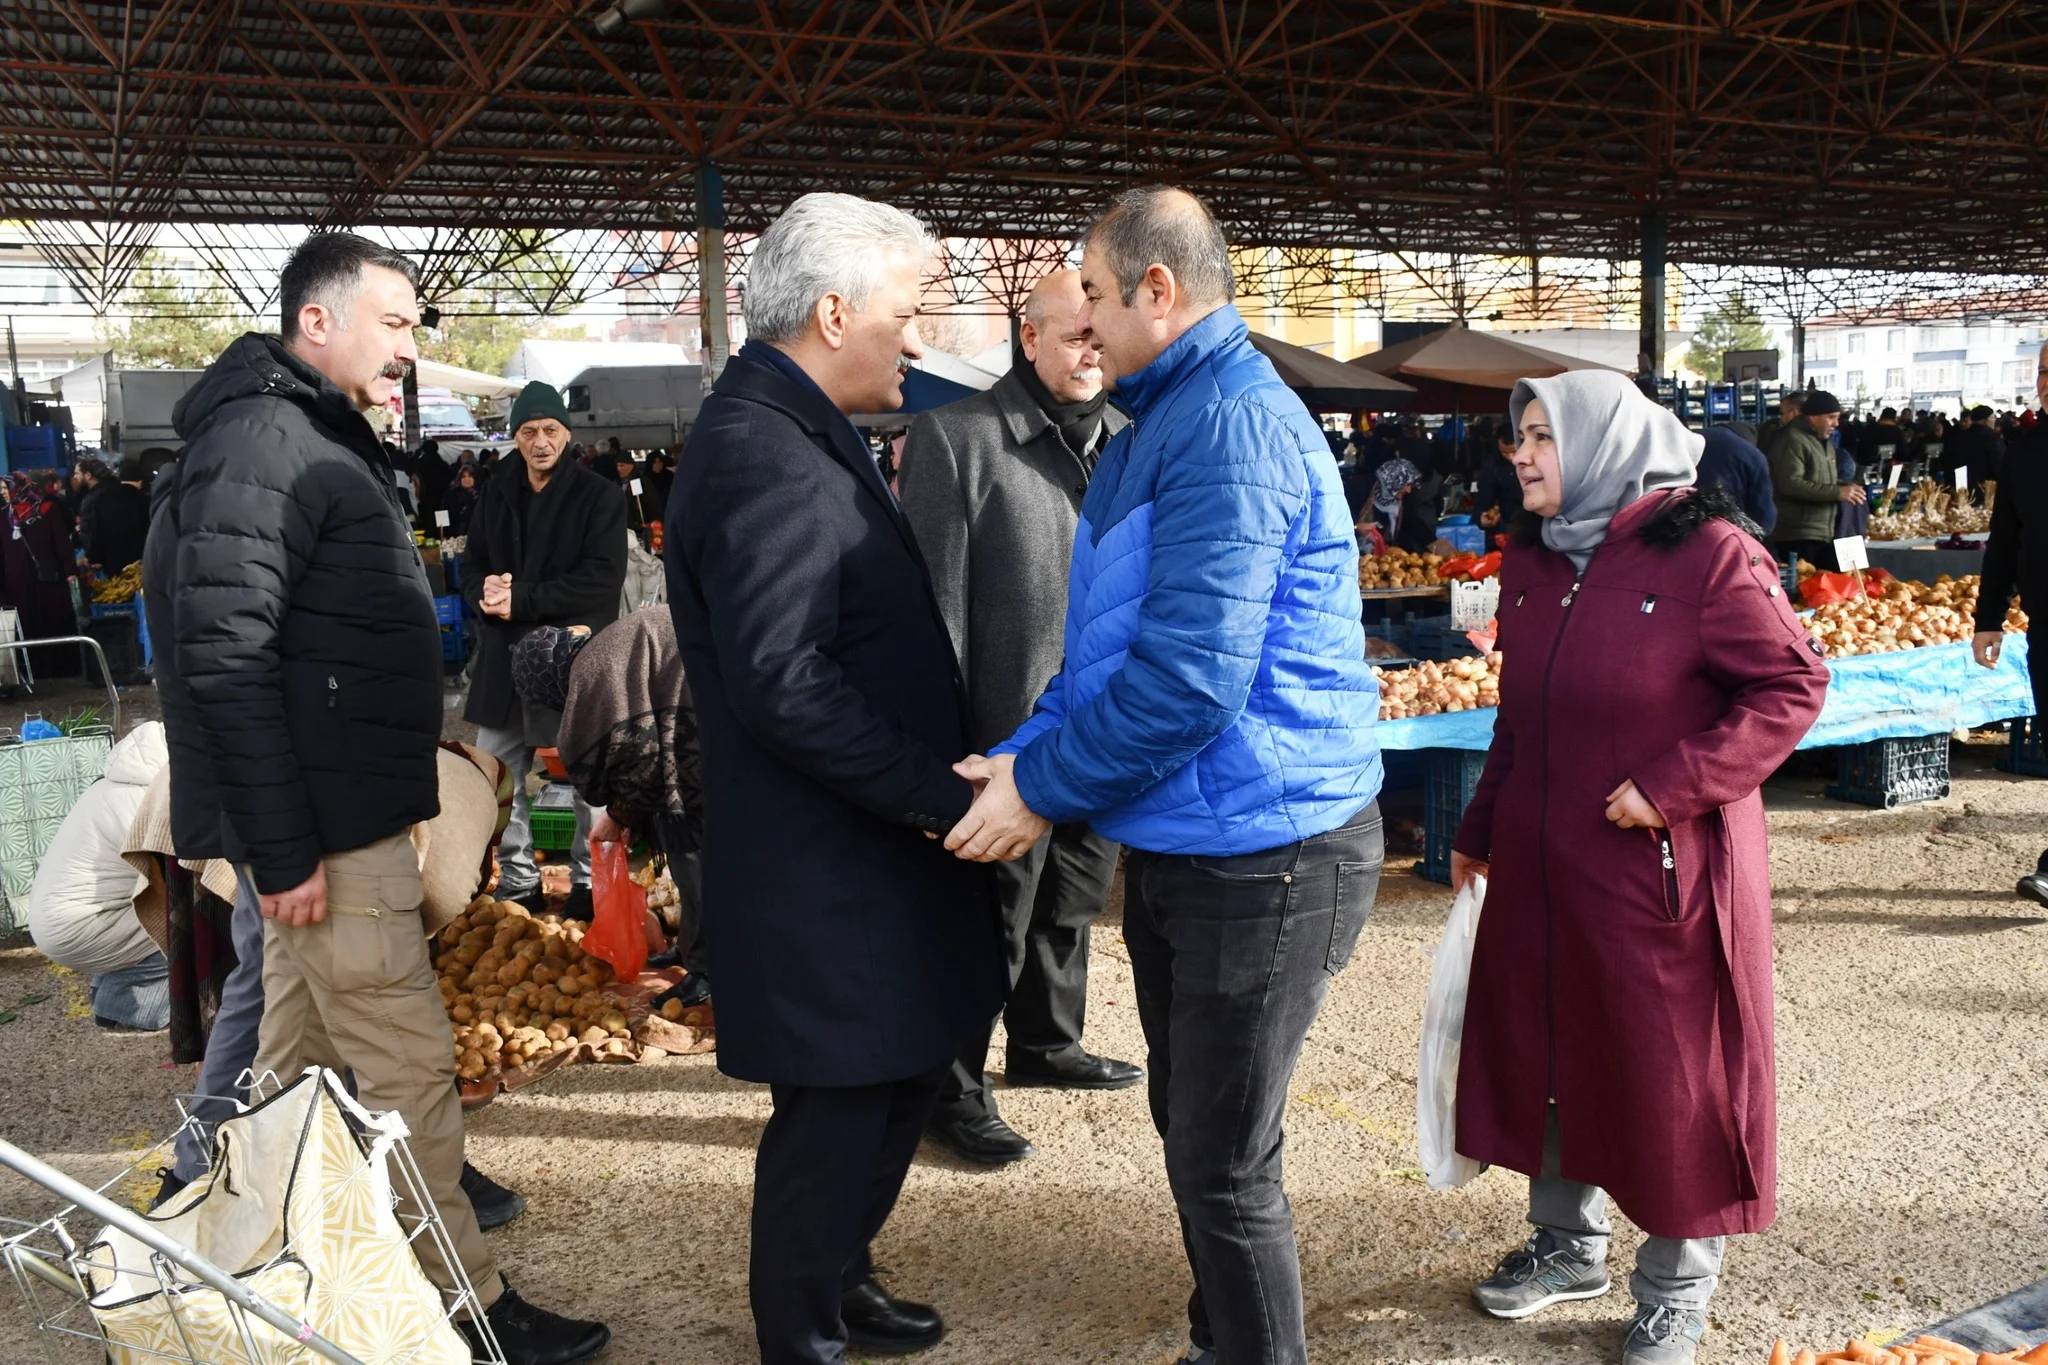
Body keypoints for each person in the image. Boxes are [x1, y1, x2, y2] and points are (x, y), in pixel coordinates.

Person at [141, 231, 605, 1365]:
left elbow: (306, 643)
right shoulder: (266, 441)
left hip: (335, 818)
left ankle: (233, 1260)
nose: (408, 348)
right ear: (317, 320)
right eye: (394, 324)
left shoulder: (298, 435)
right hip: (324, 840)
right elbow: (224, 656)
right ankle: (467, 1306)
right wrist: (285, 848)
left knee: (287, 1070)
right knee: (405, 1071)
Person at [943, 187, 1383, 1365]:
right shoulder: (1161, 424)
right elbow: (1112, 656)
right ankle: (1219, 1338)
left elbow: (1189, 685)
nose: (1079, 321)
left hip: (1269, 849)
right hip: (1198, 838)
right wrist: (1031, 752)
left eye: (1091, 291)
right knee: (1192, 1126)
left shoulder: (1228, 428)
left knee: (1223, 1164)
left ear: (1157, 291)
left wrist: (1040, 791)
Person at [664, 192, 1005, 1364]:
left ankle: (840, 1279)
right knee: (838, 1114)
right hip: (828, 864)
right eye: (904, 315)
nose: (914, 341)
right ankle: (798, 1330)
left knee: (898, 1081)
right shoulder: (764, 447)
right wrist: (942, 796)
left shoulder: (793, 428)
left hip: (858, 856)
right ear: (830, 311)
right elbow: (785, 681)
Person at [1449, 371, 1828, 1365]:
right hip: (1541, 868)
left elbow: (1789, 685)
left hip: (1655, 875)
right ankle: (1566, 1250)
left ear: (1601, 441)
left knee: (1672, 1083)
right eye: (1514, 436)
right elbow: (1517, 715)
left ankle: (1674, 1293)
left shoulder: (1706, 552)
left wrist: (1672, 784)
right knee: (1549, 1059)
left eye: (1538, 436)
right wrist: (1476, 824)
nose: (1519, 454)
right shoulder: (1531, 556)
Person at [897, 268, 1141, 1168]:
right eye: (1069, 333)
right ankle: (950, 1087)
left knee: (1072, 893)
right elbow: (931, 603)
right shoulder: (958, 440)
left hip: (1099, 721)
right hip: (1002, 728)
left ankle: (1047, 1040)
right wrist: (950, 744)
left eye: (1097, 333)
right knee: (989, 915)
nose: (1088, 349)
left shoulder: (1128, 440)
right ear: (1025, 337)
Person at [462, 381, 627, 922]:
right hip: (504, 661)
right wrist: (484, 595)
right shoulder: (494, 492)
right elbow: (473, 564)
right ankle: (519, 879)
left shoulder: (598, 496)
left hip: (570, 661)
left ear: (568, 434)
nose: (540, 441)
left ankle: (588, 882)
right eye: (529, 431)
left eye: (551, 430)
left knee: (586, 779)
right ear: (514, 436)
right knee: (495, 777)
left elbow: (602, 582)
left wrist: (522, 599)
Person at [539, 608, 710, 1002]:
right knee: (686, 859)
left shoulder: (590, 672)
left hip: (696, 733)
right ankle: (691, 950)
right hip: (689, 714)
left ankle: (708, 974)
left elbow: (637, 757)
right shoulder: (597, 652)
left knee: (695, 859)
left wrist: (617, 814)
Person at [27, 721, 172, 1032]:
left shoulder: (118, 783)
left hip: (62, 920)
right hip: (79, 927)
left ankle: (110, 987)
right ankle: (131, 1007)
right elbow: (192, 872)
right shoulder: (148, 797)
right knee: (203, 922)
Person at [1975, 341, 2048, 903]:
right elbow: (2005, 540)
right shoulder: (2024, 452)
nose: (2047, 382)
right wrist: (1989, 617)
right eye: (2044, 372)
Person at [1767, 388, 1859, 570]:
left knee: (1831, 588)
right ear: (1813, 417)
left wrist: (1846, 487)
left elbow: (1818, 479)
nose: (1837, 423)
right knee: (1807, 591)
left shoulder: (1824, 442)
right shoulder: (1792, 440)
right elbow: (1790, 483)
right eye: (1831, 417)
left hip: (1823, 533)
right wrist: (1837, 492)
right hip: (1798, 535)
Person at [1695, 424, 1777, 535]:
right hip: (1729, 528)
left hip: (1683, 521)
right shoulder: (1752, 454)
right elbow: (1764, 513)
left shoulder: (1694, 438)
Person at [75, 457, 151, 574]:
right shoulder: (145, 501)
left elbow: (96, 530)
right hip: (140, 561)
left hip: (111, 562)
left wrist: (93, 556)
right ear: (140, 481)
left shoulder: (102, 499)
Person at [1365, 455, 1435, 552]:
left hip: (1385, 560)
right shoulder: (1361, 494)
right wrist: (1357, 528)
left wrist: (1448, 553)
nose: (1409, 490)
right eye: (1406, 485)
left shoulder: (1401, 505)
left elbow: (1421, 531)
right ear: (1392, 480)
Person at [1472, 424, 1525, 529]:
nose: (1511, 457)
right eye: (1504, 452)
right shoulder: (1491, 466)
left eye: (1514, 451)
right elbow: (1484, 501)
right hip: (1510, 525)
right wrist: (1481, 518)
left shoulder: (1537, 461)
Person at [441, 462, 481, 537]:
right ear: (459, 479)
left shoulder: (481, 495)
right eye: (463, 477)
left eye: (470, 476)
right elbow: (443, 514)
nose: (467, 479)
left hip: (476, 536)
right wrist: (443, 534)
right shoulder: (450, 495)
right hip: (453, 536)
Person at [1756, 390, 1801, 455]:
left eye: (1782, 413)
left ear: (1794, 412)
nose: (1781, 418)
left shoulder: (1786, 437)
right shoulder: (1816, 433)